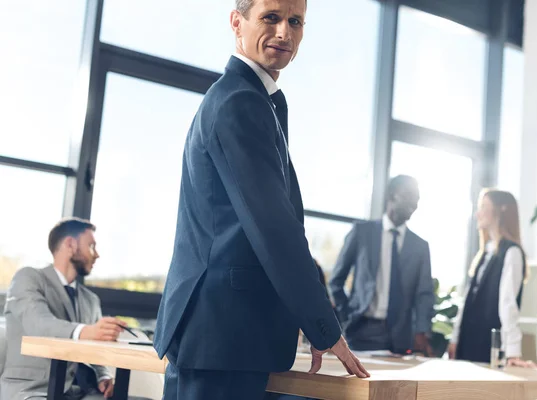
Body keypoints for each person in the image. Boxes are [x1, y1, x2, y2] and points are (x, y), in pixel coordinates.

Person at [153, 0, 369, 399]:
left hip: (227, 336)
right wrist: (324, 326)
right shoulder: (240, 101)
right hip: (223, 335)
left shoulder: (248, 97)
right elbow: (274, 229)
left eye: (296, 21)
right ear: (238, 23)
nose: (285, 32)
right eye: (271, 17)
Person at [0, 218, 148, 400]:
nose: (97, 254)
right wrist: (87, 331)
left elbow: (94, 348)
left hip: (77, 392)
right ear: (70, 244)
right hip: (33, 390)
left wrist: (103, 375)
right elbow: (39, 324)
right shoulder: (28, 278)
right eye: (91, 246)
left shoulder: (90, 299)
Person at [329, 175, 434, 355]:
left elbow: (424, 293)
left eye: (417, 198)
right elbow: (336, 280)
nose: (415, 203)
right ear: (392, 195)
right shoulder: (362, 232)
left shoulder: (420, 246)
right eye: (409, 195)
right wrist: (345, 315)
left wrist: (421, 330)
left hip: (399, 336)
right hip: (359, 330)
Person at [448, 189, 535, 368]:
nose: (477, 213)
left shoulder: (511, 253)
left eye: (483, 207)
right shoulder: (484, 253)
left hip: (487, 347)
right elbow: (467, 302)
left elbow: (508, 304)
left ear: (501, 211)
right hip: (467, 344)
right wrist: (455, 338)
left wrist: (512, 352)